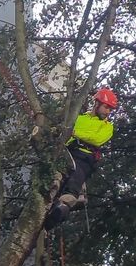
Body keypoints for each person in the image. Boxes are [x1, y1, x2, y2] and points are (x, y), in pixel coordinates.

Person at [44, 88, 118, 230]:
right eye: (106, 107)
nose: (108, 112)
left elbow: (97, 140)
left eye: (110, 109)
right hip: (68, 153)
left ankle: (60, 210)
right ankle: (48, 202)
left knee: (73, 186)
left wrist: (76, 133)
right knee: (55, 179)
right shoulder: (79, 118)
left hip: (85, 157)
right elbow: (67, 136)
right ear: (96, 104)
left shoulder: (107, 127)